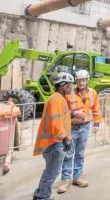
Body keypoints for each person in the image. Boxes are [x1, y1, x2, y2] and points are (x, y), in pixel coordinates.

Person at [58, 70, 102, 193]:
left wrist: (97, 123)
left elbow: (96, 109)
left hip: (85, 127)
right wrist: (73, 113)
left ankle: (77, 177)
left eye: (83, 80)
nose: (81, 83)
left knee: (80, 154)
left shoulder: (93, 93)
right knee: (67, 154)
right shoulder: (68, 93)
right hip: (71, 127)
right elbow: (61, 109)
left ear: (87, 80)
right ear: (76, 81)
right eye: (79, 81)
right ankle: (65, 180)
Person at [33, 72, 73, 200]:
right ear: (63, 85)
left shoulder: (58, 98)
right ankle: (43, 197)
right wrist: (65, 137)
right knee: (52, 172)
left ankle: (39, 193)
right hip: (54, 143)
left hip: (54, 141)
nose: (71, 87)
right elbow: (56, 122)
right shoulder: (56, 99)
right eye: (70, 84)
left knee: (49, 170)